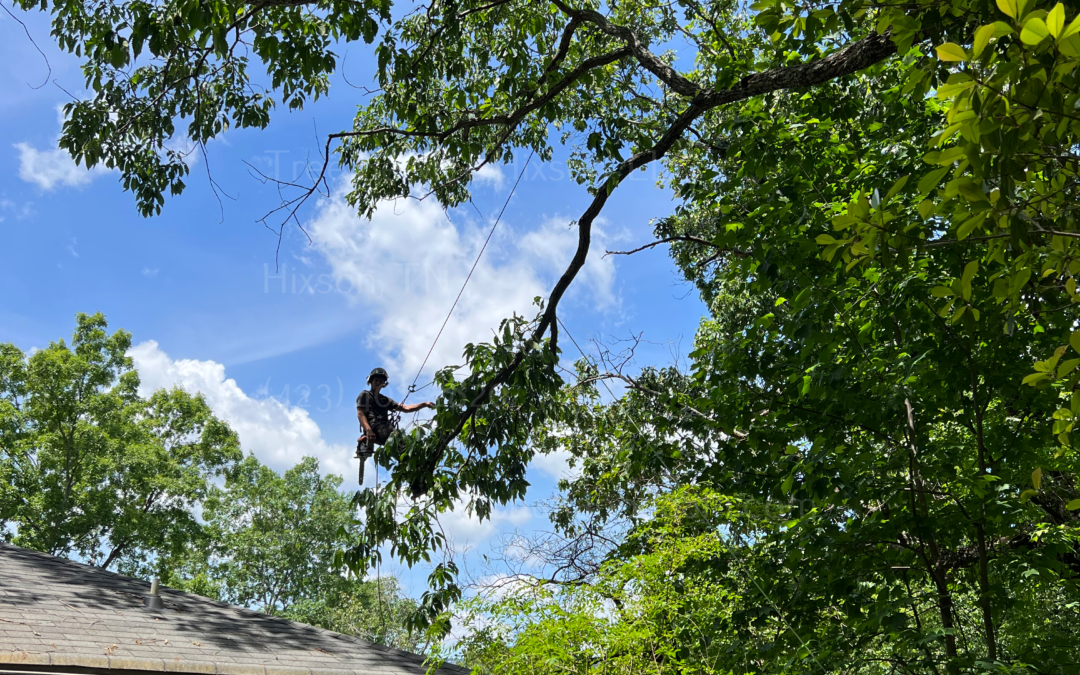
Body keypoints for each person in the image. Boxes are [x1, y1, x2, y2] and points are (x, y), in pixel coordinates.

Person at [356, 367, 433, 482]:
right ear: (371, 381)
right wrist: (368, 430)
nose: (378, 382)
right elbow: (361, 414)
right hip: (375, 427)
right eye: (376, 380)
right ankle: (414, 474)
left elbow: (405, 408)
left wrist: (424, 404)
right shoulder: (365, 395)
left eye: (381, 381)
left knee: (406, 447)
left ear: (384, 384)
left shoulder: (385, 400)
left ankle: (415, 479)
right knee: (400, 443)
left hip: (386, 429)